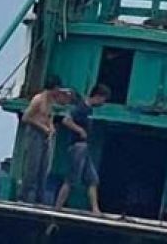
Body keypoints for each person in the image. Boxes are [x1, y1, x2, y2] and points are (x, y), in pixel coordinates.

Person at [55, 83, 111, 213]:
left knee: (92, 179)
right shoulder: (81, 108)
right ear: (97, 96)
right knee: (71, 179)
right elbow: (66, 120)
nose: (104, 102)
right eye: (103, 99)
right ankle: (58, 207)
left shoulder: (89, 110)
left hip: (85, 148)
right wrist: (80, 130)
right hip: (77, 147)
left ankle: (95, 210)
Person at [20, 75, 71, 204]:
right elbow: (26, 117)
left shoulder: (51, 100)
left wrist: (51, 127)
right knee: (33, 166)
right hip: (35, 133)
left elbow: (49, 117)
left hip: (45, 134)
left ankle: (39, 199)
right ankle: (24, 197)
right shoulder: (38, 100)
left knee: (44, 167)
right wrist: (42, 127)